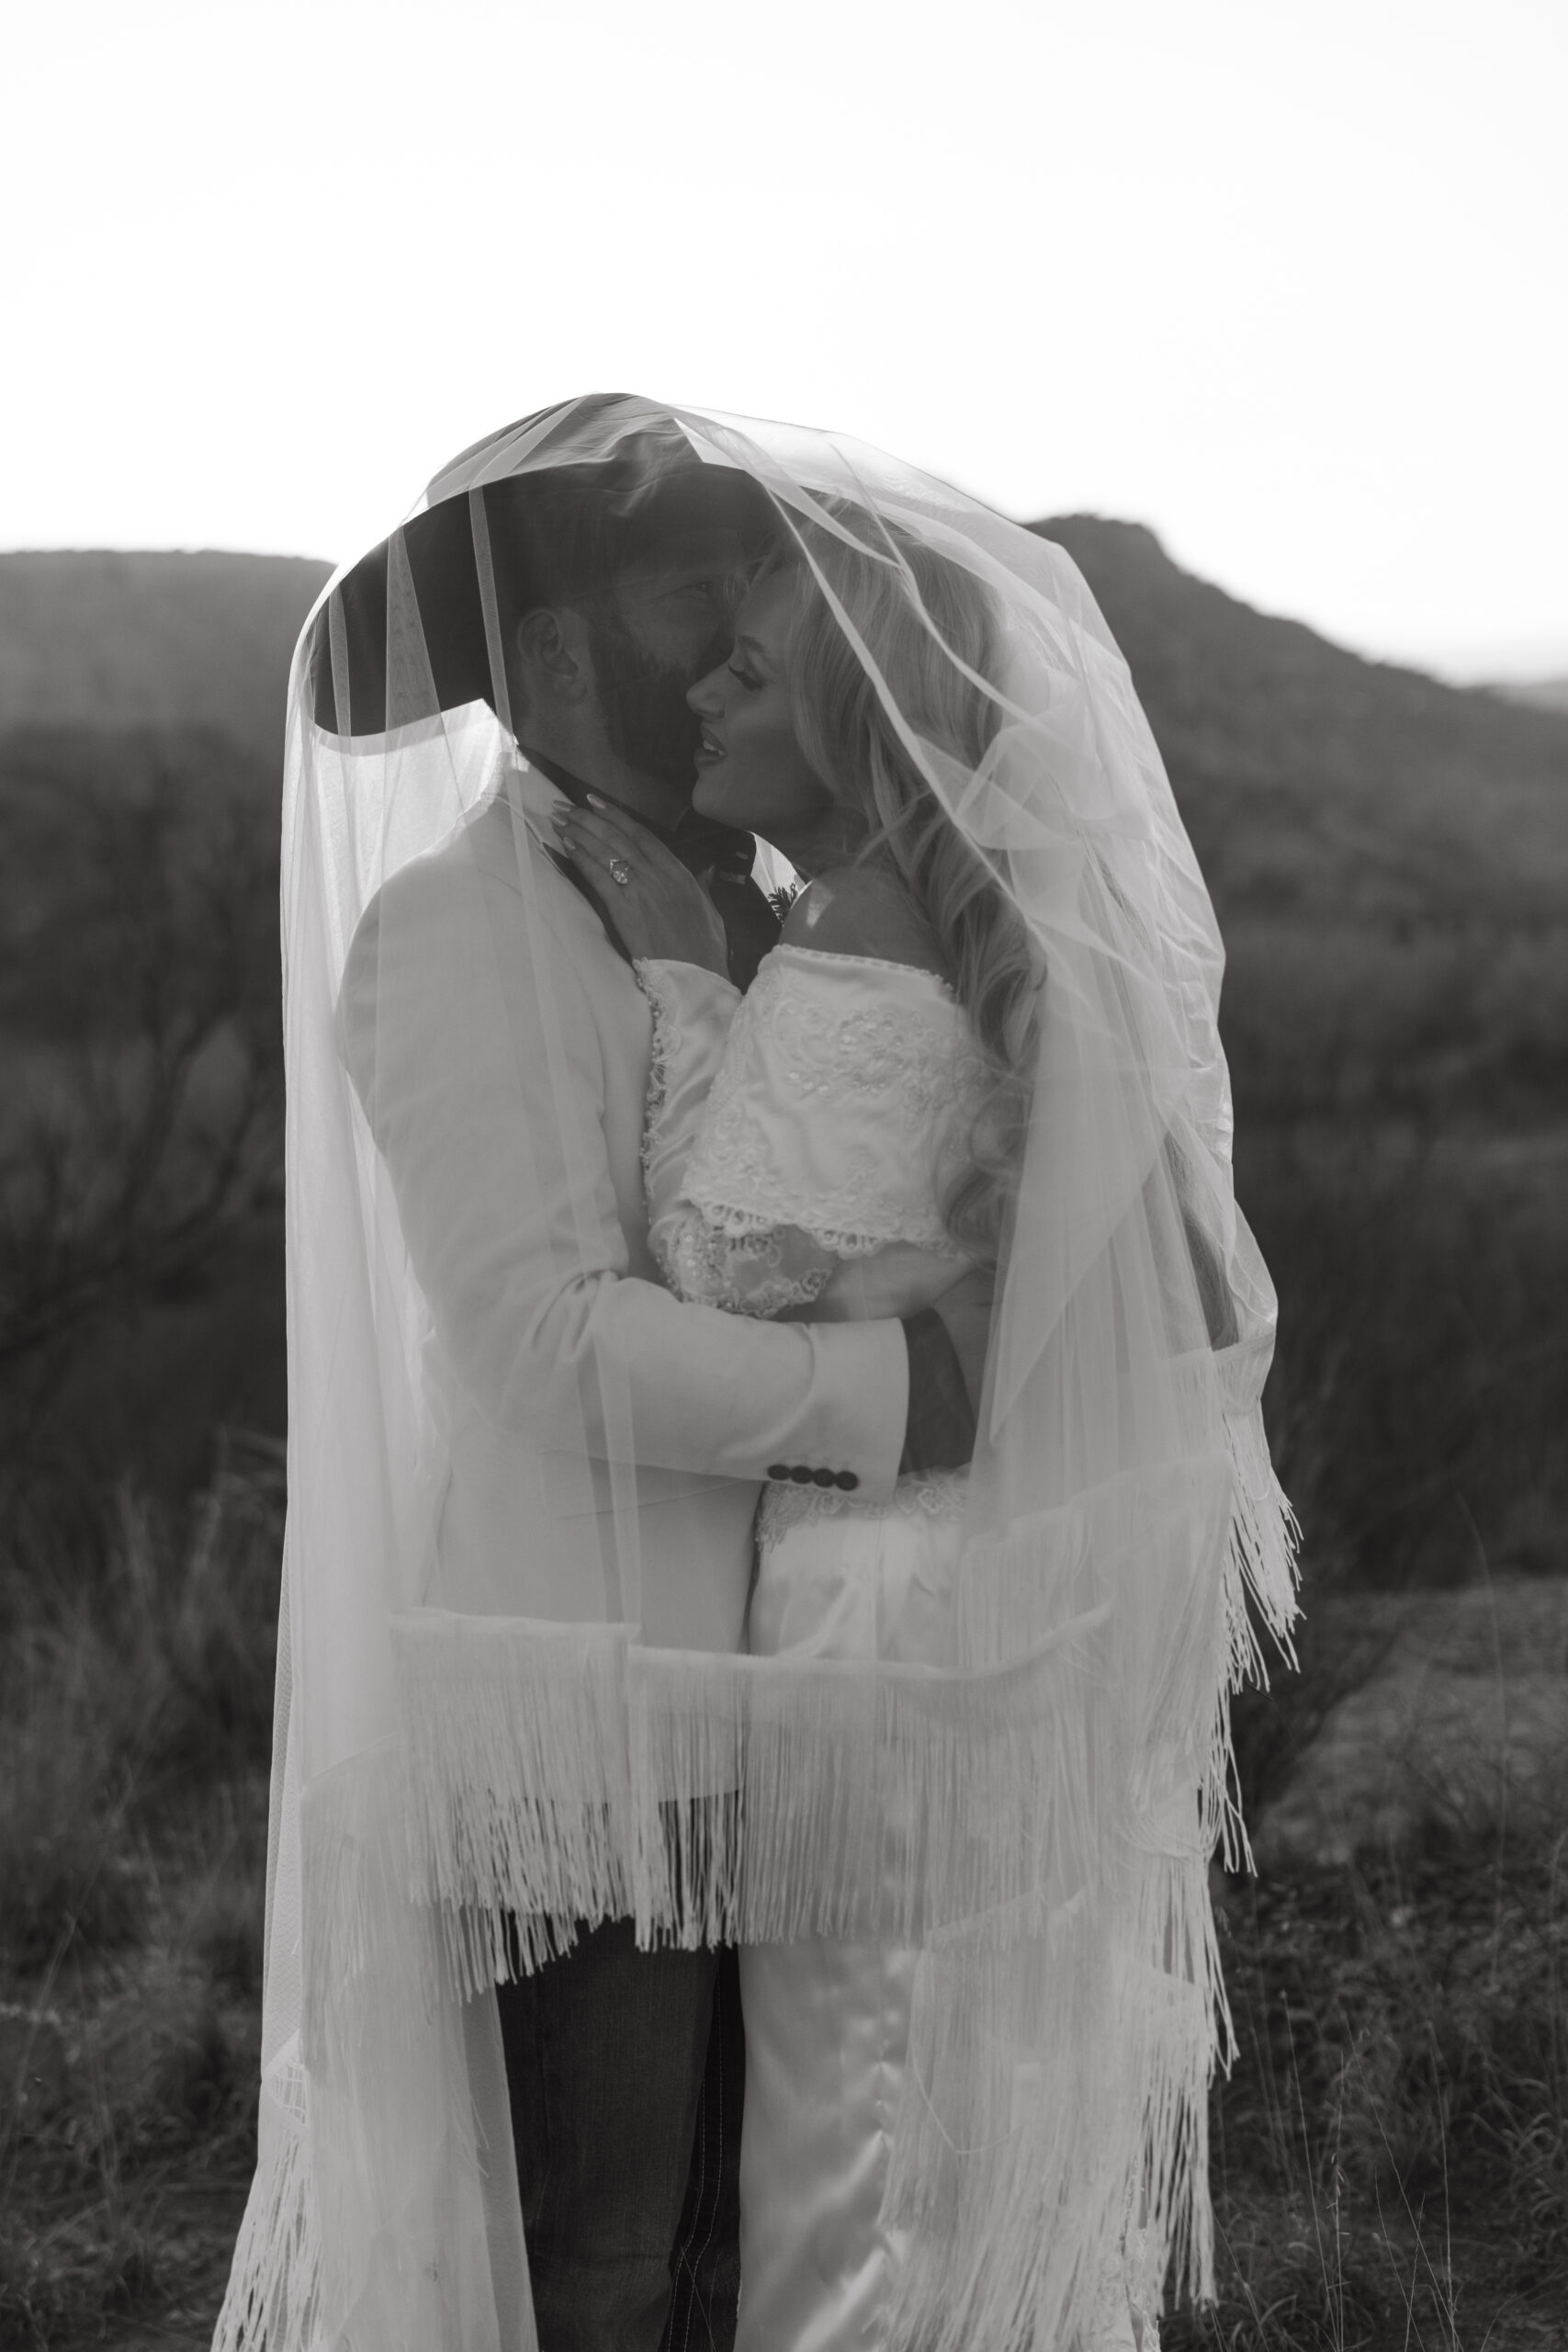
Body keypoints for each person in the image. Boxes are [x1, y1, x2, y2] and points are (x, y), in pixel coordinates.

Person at [218, 400, 1297, 2352]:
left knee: (758, 2246)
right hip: (581, 1738)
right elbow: (550, 1343)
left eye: (742, 599)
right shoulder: (455, 930)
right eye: (677, 596)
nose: (723, 627)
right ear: (550, 655)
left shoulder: (773, 904)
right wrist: (913, 1396)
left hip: (798, 1718)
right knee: (602, 2269)